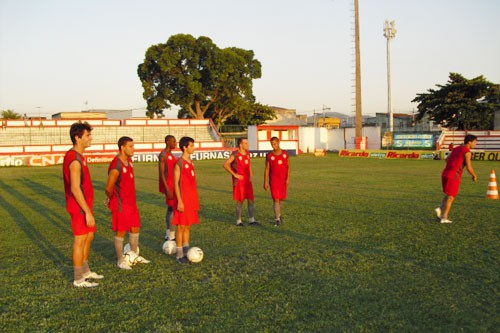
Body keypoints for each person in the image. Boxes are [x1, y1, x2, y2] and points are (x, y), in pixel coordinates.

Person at [63, 121, 103, 288]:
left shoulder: (79, 156)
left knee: (89, 236)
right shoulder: (74, 159)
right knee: (80, 240)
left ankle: (85, 271)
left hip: (85, 206)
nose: (90, 138)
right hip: (79, 207)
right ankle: (78, 278)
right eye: (87, 135)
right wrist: (86, 211)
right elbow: (74, 187)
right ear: (77, 138)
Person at [106, 136, 150, 269]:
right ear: (122, 148)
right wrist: (111, 198)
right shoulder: (116, 165)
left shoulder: (129, 161)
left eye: (133, 146)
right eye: (130, 146)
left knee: (135, 228)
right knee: (121, 232)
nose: (133, 149)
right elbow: (109, 188)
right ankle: (120, 261)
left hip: (132, 203)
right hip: (121, 204)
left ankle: (133, 254)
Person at [435, 134, 478, 223]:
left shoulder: (456, 148)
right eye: (475, 142)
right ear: (469, 142)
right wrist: (474, 175)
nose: (475, 144)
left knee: (448, 194)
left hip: (445, 173)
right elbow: (469, 167)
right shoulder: (467, 152)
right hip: (454, 175)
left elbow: (447, 159)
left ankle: (440, 208)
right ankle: (444, 217)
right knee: (451, 197)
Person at [173, 136, 200, 264]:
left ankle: (186, 251)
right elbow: (176, 183)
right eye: (192, 146)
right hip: (183, 199)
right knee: (181, 227)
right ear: (185, 147)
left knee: (188, 226)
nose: (194, 148)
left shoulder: (191, 161)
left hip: (192, 198)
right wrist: (179, 200)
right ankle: (179, 255)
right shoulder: (179, 163)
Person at [223, 137, 258, 226]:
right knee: (240, 201)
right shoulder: (235, 154)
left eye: (247, 143)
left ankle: (252, 219)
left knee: (251, 200)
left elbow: (249, 164)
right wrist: (235, 175)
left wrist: (250, 174)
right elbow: (226, 164)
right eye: (245, 143)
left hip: (247, 180)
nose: (248, 145)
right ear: (240, 145)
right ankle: (239, 221)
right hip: (239, 181)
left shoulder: (247, 154)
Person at [264, 137, 291, 227]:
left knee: (282, 199)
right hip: (274, 180)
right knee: (276, 199)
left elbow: (288, 166)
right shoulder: (270, 155)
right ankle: (277, 219)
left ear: (278, 143)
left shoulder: (285, 154)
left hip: (283, 180)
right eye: (272, 144)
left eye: (275, 143)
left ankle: (279, 214)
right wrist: (266, 181)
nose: (273, 146)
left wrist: (288, 178)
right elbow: (267, 169)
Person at [159, 135, 177, 241]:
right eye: (173, 141)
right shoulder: (163, 155)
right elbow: (162, 173)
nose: (175, 143)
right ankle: (171, 235)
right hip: (169, 186)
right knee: (173, 209)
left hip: (173, 185)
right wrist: (167, 189)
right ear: (167, 142)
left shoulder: (170, 154)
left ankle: (168, 233)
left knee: (171, 208)